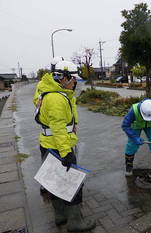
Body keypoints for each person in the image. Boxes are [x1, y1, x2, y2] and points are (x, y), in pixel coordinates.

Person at [33, 58, 96, 231]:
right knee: (73, 184)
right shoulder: (56, 99)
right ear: (63, 78)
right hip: (59, 147)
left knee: (54, 182)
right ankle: (76, 223)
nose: (75, 82)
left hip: (48, 144)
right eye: (73, 79)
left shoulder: (49, 92)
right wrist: (66, 152)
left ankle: (60, 217)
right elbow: (59, 127)